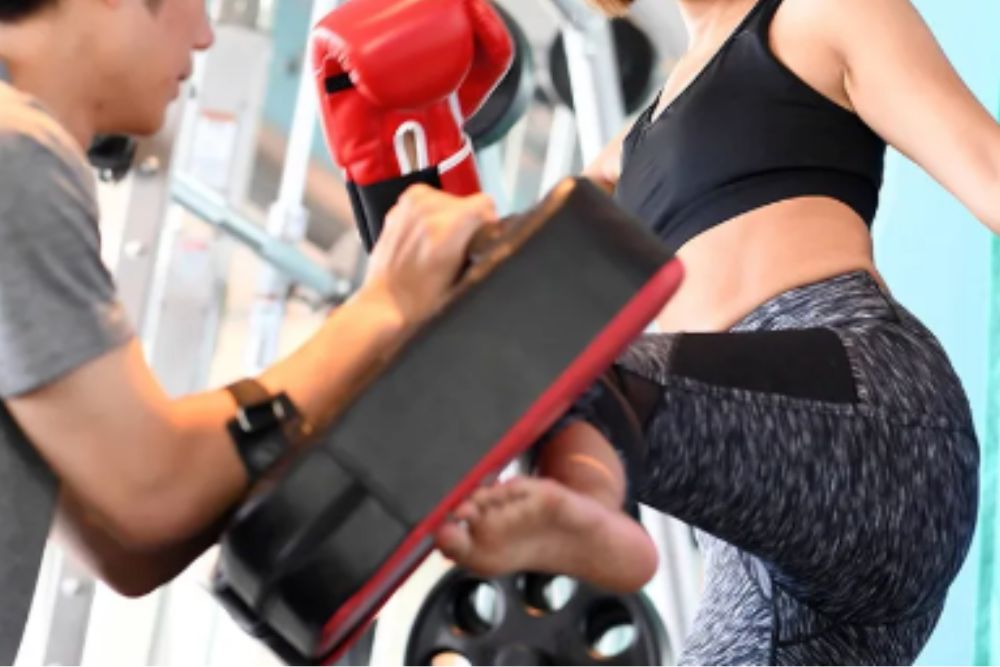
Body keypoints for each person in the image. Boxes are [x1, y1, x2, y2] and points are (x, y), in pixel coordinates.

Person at [431, 0, 996, 663]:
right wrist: (420, 144)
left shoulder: (816, 15)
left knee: (566, 376)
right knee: (515, 362)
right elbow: (480, 282)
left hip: (869, 420)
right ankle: (590, 497)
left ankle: (592, 502)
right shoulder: (629, 147)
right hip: (751, 543)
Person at [0, 0, 500, 661]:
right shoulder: (16, 153)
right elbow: (153, 485)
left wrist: (372, 356)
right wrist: (382, 306)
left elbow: (125, 546)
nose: (206, 35)